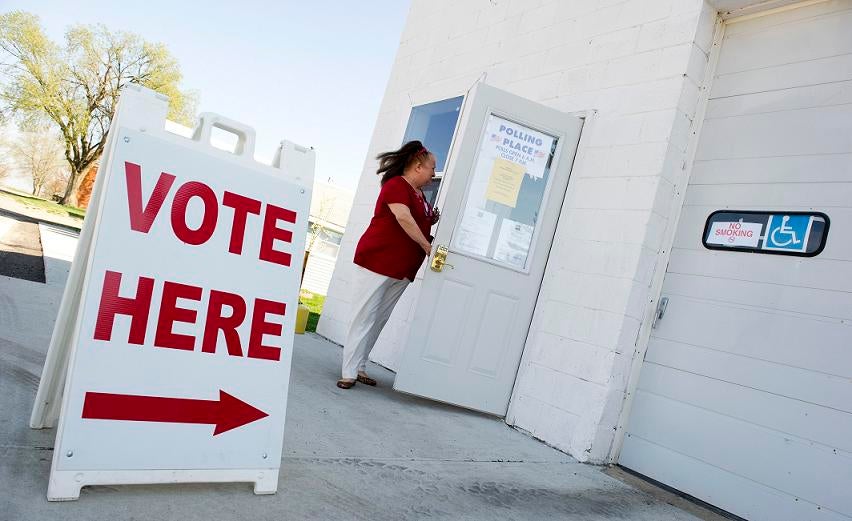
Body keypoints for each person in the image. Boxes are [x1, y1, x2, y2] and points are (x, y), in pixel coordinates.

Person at [337, 140, 440, 389]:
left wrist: (431, 220)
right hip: (378, 261)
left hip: (402, 269)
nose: (434, 174)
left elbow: (417, 220)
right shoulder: (396, 185)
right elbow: (403, 217)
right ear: (417, 166)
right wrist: (428, 247)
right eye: (431, 168)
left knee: (379, 319)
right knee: (364, 316)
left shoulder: (420, 196)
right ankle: (348, 372)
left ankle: (360, 366)